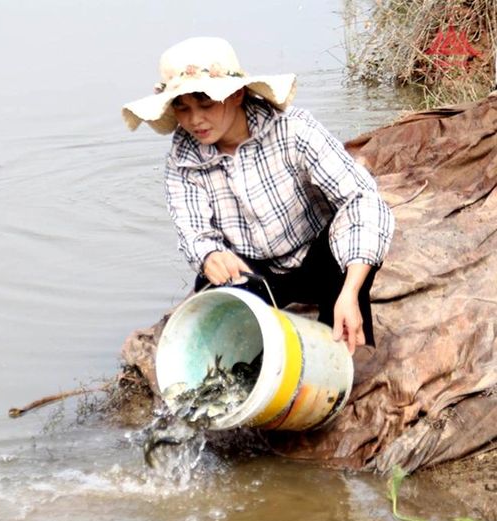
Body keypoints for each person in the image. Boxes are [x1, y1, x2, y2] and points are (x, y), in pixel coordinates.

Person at [122, 37, 394, 354]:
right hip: (253, 270)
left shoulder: (294, 130)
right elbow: (193, 229)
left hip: (318, 258)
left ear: (236, 94)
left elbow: (361, 200)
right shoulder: (183, 160)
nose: (195, 120)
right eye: (183, 108)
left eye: (206, 104)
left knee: (338, 335)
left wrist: (351, 290)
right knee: (219, 322)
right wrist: (209, 255)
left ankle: (343, 331)